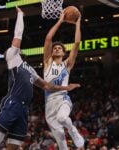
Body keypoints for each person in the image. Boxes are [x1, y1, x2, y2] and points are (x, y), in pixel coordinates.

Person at [0, 7, 80, 150]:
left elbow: (46, 86)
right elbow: (18, 34)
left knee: (14, 146)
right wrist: (20, 15)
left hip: (24, 109)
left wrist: (64, 87)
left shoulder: (29, 69)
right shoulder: (13, 58)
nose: (16, 47)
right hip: (12, 104)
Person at [43, 10, 84, 150]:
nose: (57, 49)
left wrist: (78, 23)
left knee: (62, 118)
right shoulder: (48, 62)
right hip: (49, 105)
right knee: (61, 141)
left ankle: (73, 130)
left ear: (63, 52)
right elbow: (48, 38)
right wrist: (60, 21)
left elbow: (77, 43)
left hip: (63, 100)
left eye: (60, 48)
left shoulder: (67, 64)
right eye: (55, 48)